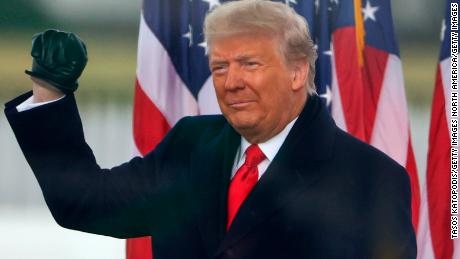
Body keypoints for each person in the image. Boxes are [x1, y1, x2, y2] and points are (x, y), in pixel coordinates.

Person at [4, 1, 416, 258]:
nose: (230, 81)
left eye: (249, 64)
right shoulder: (190, 144)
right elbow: (86, 203)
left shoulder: (371, 178)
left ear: (297, 72)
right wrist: (50, 89)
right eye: (220, 67)